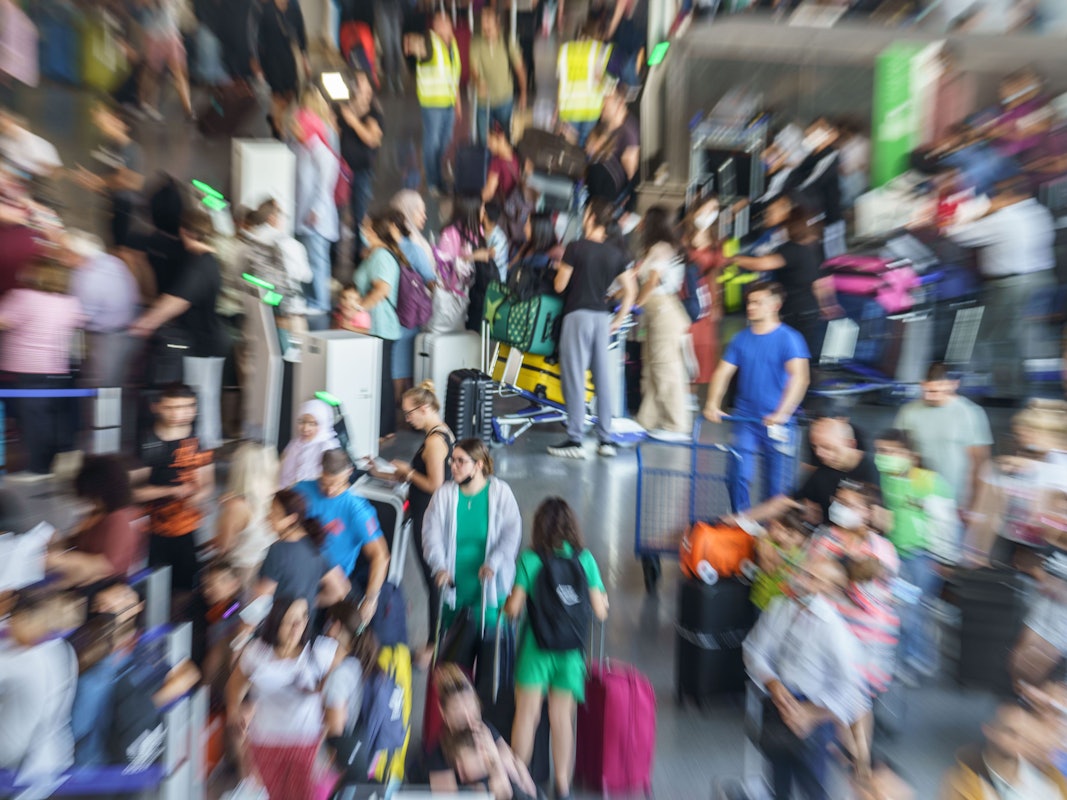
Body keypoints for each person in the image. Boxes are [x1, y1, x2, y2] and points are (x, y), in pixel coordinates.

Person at [506, 498, 609, 800]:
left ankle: (519, 782)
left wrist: (508, 603)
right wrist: (603, 600)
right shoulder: (584, 559)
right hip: (570, 653)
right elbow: (600, 612)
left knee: (527, 716)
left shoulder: (530, 559)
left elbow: (513, 609)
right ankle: (562, 786)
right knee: (562, 719)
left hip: (535, 649)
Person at [743, 554, 868, 800]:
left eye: (811, 577)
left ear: (830, 589)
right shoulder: (780, 608)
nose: (799, 579)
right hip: (778, 703)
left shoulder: (834, 630)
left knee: (812, 783)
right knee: (778, 776)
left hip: (814, 711)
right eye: (801, 572)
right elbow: (753, 649)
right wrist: (772, 683)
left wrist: (811, 714)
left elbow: (852, 688)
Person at [130, 208, 232, 451]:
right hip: (211, 340)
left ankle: (202, 451)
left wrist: (145, 322)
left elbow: (178, 300)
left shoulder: (199, 264)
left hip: (202, 343)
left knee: (198, 400)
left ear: (183, 231)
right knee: (206, 399)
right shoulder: (209, 261)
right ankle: (205, 447)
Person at [703, 282, 810, 512]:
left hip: (778, 423)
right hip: (746, 419)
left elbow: (800, 378)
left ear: (775, 306)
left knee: (777, 486)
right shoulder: (740, 339)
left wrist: (782, 413)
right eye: (750, 302)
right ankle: (742, 522)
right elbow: (722, 372)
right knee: (737, 474)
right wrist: (712, 403)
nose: (751, 307)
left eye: (758, 302)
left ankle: (772, 529)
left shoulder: (790, 338)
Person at [946, 176, 1056, 396]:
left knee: (1000, 339)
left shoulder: (1005, 217)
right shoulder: (1039, 211)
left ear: (1007, 195)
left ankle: (1007, 392)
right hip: (1040, 279)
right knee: (1025, 336)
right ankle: (1023, 388)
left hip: (1011, 285)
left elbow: (958, 234)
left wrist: (983, 210)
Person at [373, 382, 454, 668]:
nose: (408, 420)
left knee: (433, 581)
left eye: (410, 414)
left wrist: (407, 473)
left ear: (424, 408)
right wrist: (383, 473)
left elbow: (435, 485)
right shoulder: (438, 433)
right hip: (425, 512)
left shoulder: (434, 442)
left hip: (428, 517)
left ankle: (434, 644)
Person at [549, 199, 637, 459]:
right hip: (602, 318)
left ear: (590, 218)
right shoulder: (616, 254)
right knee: (602, 379)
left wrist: (559, 269)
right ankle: (605, 439)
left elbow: (559, 286)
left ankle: (575, 439)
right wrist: (619, 319)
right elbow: (631, 291)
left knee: (575, 377)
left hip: (577, 316)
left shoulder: (576, 247)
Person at [226, 595, 336, 799]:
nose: (297, 627)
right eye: (290, 621)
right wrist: (234, 711)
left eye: (302, 619)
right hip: (265, 743)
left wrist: (328, 734)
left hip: (306, 743)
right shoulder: (256, 653)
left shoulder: (320, 652)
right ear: (276, 621)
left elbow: (338, 689)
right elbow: (235, 683)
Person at [423, 439, 523, 635]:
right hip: (454, 589)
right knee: (454, 648)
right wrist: (439, 566)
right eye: (452, 460)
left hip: (489, 588)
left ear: (479, 464)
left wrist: (493, 563)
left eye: (460, 461)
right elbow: (431, 535)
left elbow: (511, 534)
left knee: (489, 644)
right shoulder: (443, 495)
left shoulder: (500, 493)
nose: (453, 466)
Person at [0, 259, 86, 481]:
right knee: (53, 420)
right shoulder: (70, 302)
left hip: (29, 370)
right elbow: (79, 324)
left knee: (34, 421)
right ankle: (56, 465)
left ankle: (39, 469)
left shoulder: (22, 297)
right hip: (59, 370)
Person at [132, 383, 215, 593]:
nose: (180, 413)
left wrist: (199, 496)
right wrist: (172, 491)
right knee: (155, 586)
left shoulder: (199, 440)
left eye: (187, 406)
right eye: (172, 407)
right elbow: (134, 492)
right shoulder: (147, 442)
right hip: (154, 530)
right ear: (158, 407)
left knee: (186, 586)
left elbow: (208, 482)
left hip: (187, 528)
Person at [295, 448, 390, 628]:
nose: (330, 490)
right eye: (324, 483)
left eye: (336, 484)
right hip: (300, 573)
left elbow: (380, 556)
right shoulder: (301, 490)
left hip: (330, 588)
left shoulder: (358, 511)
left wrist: (370, 599)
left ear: (349, 472)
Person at [0, 586, 78, 781]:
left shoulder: (20, 661)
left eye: (12, 619)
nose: (10, 626)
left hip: (16, 765)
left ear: (26, 619)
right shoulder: (63, 649)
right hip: (52, 761)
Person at [893, 361, 993, 512]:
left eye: (938, 391)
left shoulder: (970, 413)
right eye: (928, 391)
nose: (932, 396)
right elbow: (897, 451)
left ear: (953, 385)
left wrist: (973, 504)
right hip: (916, 495)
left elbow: (980, 461)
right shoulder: (908, 411)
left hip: (954, 498)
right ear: (922, 384)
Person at [730, 203, 826, 358]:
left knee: (790, 355)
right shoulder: (810, 250)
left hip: (795, 312)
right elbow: (817, 284)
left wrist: (733, 259)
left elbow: (762, 264)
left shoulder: (791, 250)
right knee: (801, 354)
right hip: (808, 309)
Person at [427, 664, 538, 796]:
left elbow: (519, 773)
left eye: (470, 707)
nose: (468, 718)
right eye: (457, 711)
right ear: (444, 713)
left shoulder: (486, 730)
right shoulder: (438, 754)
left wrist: (497, 762)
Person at [632, 205, 691, 438]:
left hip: (664, 312)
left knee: (666, 369)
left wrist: (635, 304)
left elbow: (652, 281)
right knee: (652, 368)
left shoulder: (661, 248)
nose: (640, 224)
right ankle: (648, 419)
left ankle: (676, 425)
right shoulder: (655, 249)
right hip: (657, 313)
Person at [46, 456, 143, 586]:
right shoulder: (97, 514)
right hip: (81, 581)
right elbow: (75, 541)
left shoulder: (118, 520)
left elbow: (105, 565)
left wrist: (61, 560)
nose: (89, 501)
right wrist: (57, 545)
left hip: (103, 588)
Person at [62, 229, 139, 389]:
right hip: (123, 329)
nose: (61, 255)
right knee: (109, 383)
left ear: (77, 254)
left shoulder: (90, 279)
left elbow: (79, 317)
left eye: (65, 251)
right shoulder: (109, 261)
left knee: (103, 387)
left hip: (109, 336)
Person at [354, 211, 407, 438]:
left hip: (381, 326)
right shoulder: (375, 254)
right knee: (378, 377)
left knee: (381, 379)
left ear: (374, 232)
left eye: (366, 227)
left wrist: (359, 308)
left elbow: (382, 290)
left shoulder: (381, 256)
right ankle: (381, 428)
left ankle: (385, 429)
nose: (362, 231)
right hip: (375, 326)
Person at [941, 703, 1067, 799]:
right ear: (989, 730)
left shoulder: (1049, 781)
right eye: (1010, 732)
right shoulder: (962, 782)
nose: (1018, 741)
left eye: (1024, 736)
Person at [255, 488, 350, 610]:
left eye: (275, 513)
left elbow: (260, 597)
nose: (268, 517)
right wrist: (308, 604)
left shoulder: (278, 550)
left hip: (278, 619)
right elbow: (340, 590)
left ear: (291, 518)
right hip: (304, 620)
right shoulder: (317, 547)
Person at [289, 102, 342, 320]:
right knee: (305, 260)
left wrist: (317, 210)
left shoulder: (321, 152)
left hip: (316, 218)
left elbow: (325, 186)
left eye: (297, 125)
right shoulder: (300, 148)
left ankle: (320, 302)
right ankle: (310, 299)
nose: (294, 129)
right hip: (302, 215)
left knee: (317, 260)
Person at [70, 102, 143, 250]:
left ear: (124, 125)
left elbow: (134, 182)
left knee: (119, 247)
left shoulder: (131, 150)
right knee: (109, 242)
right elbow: (109, 177)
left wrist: (99, 181)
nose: (107, 122)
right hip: (108, 205)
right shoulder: (108, 144)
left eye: (114, 119)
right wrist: (93, 181)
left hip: (123, 209)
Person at [406, 10, 462, 196]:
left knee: (444, 142)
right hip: (432, 105)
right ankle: (433, 182)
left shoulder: (452, 45)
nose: (441, 25)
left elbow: (454, 76)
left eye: (445, 22)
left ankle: (438, 175)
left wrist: (458, 101)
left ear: (451, 25)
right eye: (438, 22)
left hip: (448, 103)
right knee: (433, 143)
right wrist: (412, 44)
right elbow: (418, 47)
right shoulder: (430, 41)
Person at [214, 443, 279, 588]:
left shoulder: (236, 507)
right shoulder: (275, 500)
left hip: (236, 574)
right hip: (263, 571)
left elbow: (223, 547)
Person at [338, 70, 384, 269]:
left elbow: (372, 139)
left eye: (363, 83)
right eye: (357, 83)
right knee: (337, 212)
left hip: (361, 173)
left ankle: (359, 258)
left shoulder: (373, 113)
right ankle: (335, 255)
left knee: (359, 215)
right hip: (341, 172)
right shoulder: (342, 108)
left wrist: (353, 121)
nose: (359, 87)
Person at [786, 118, 845, 259]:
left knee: (831, 260)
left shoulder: (830, 157)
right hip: (811, 218)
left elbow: (807, 184)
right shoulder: (811, 157)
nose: (812, 134)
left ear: (831, 135)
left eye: (818, 130)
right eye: (811, 131)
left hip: (828, 218)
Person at [470, 7, 527, 146]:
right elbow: (473, 70)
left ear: (497, 21)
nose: (486, 26)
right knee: (485, 142)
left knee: (507, 140)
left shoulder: (508, 41)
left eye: (488, 21)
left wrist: (523, 93)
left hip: (505, 99)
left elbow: (520, 69)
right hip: (484, 102)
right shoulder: (476, 43)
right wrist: (478, 82)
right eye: (483, 22)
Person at [253, 0, 310, 135]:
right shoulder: (266, 10)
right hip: (271, 59)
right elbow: (258, 38)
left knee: (290, 93)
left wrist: (305, 58)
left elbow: (301, 35)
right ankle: (277, 128)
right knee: (277, 95)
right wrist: (257, 62)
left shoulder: (294, 9)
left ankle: (278, 123)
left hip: (289, 57)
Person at [556, 22, 612, 147]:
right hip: (591, 110)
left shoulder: (565, 50)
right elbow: (604, 83)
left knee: (569, 149)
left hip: (569, 110)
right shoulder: (599, 50)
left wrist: (557, 109)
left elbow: (561, 83)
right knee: (586, 146)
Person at [138, 0, 194, 121]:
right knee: (152, 72)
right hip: (155, 36)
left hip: (170, 34)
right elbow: (142, 4)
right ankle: (144, 103)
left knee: (178, 72)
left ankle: (188, 111)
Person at [279, 398, 341, 488]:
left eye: (312, 424)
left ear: (323, 424)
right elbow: (283, 476)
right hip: (289, 493)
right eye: (302, 422)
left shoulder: (327, 448)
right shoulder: (295, 444)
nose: (305, 428)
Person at [599, 85, 640, 208]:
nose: (602, 106)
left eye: (606, 103)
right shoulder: (611, 123)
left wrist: (627, 207)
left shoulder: (629, 135)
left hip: (608, 201)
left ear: (619, 104)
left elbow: (632, 177)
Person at [391, 189, 438, 286]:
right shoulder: (413, 242)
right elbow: (430, 279)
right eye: (420, 212)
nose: (424, 217)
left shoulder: (392, 236)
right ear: (408, 211)